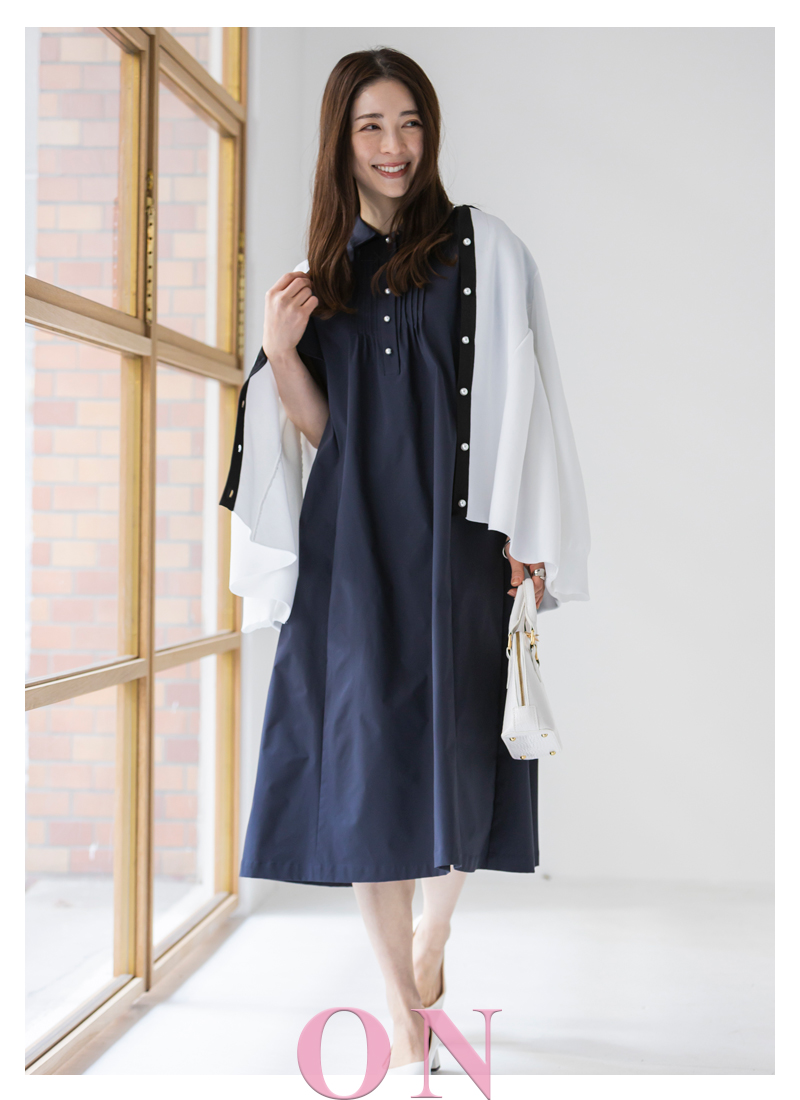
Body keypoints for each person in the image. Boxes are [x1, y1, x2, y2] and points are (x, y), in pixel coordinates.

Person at [220, 47, 590, 1073]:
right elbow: (322, 430)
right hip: (353, 550)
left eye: (410, 123)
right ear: (341, 141)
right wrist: (281, 350)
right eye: (372, 126)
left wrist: (528, 536)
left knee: (465, 745)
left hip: (461, 543)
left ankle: (434, 934)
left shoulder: (484, 249)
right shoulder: (323, 276)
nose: (394, 146)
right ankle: (397, 1000)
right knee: (364, 760)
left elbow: (530, 397)